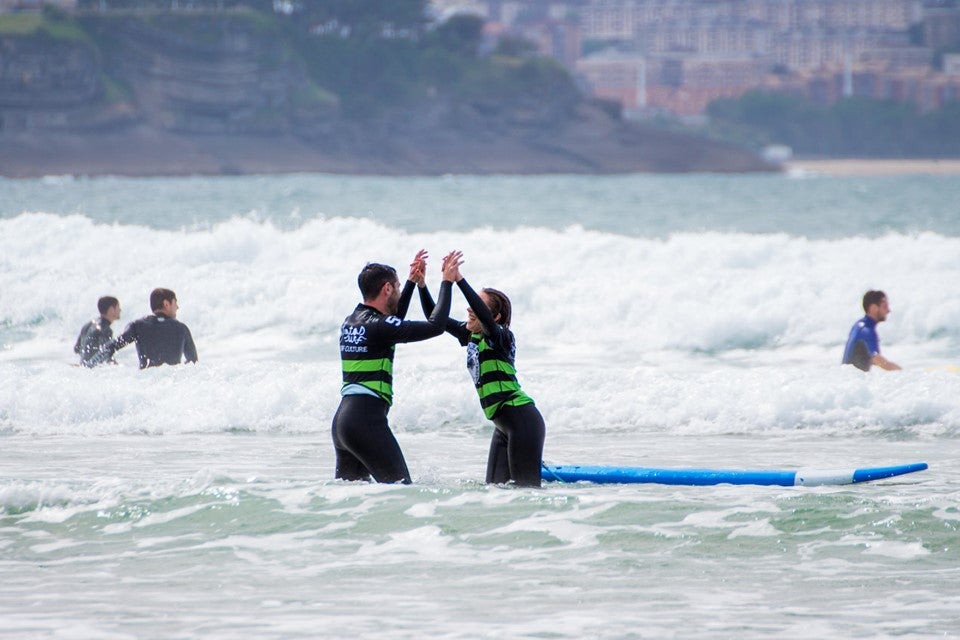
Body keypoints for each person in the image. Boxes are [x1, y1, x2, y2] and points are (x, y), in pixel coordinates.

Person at [412, 254, 546, 487]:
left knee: (527, 493)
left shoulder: (502, 337)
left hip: (522, 419)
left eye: (478, 307)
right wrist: (422, 285)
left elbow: (483, 316)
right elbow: (436, 318)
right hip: (502, 426)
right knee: (493, 493)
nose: (469, 310)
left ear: (495, 317)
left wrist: (459, 280)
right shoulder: (471, 335)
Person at [332, 250, 462, 484]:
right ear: (387, 289)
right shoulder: (380, 326)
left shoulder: (352, 321)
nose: (400, 291)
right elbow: (436, 326)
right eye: (399, 287)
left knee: (349, 502)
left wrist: (413, 283)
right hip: (365, 421)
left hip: (344, 423)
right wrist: (446, 283)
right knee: (402, 491)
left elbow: (392, 322)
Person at [90, 288, 198, 369]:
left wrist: (88, 365)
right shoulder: (181, 329)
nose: (177, 307)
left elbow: (111, 347)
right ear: (166, 304)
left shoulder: (138, 326)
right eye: (175, 302)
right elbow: (193, 363)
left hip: (146, 382)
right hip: (170, 386)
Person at [842, 290, 901, 371]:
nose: (888, 310)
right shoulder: (867, 331)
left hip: (848, 380)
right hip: (855, 381)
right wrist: (907, 375)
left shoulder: (858, 326)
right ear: (873, 308)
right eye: (885, 306)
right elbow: (880, 361)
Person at [74, 296, 121, 367]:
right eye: (118, 307)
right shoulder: (105, 329)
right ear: (111, 310)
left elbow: (76, 349)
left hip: (83, 368)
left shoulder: (87, 325)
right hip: (94, 371)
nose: (120, 310)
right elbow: (106, 355)